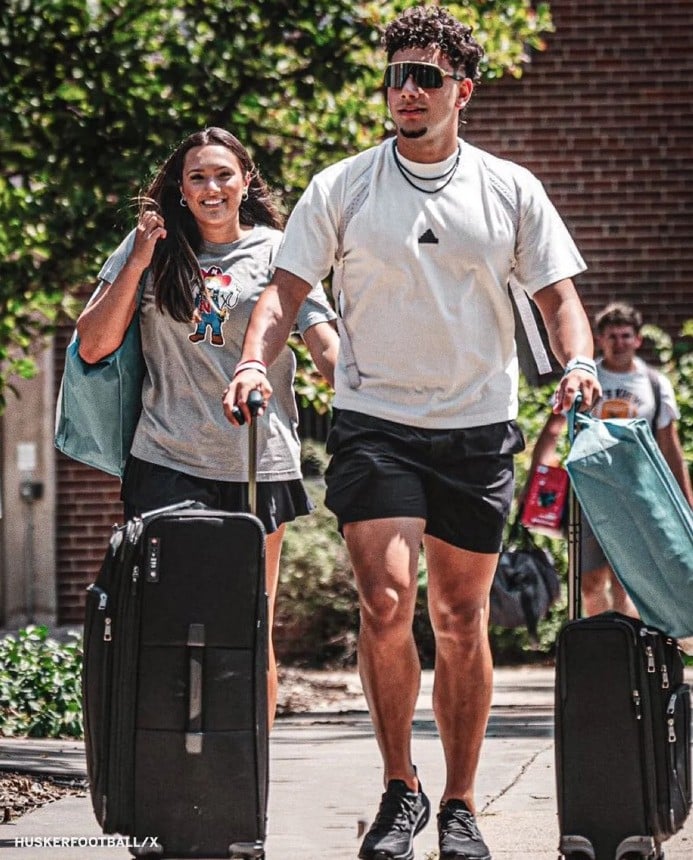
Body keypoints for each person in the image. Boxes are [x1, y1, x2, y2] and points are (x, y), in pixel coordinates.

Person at [224, 6, 601, 859]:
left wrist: (576, 363)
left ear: (461, 90)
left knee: (461, 616)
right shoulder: (343, 185)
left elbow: (557, 299)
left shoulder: (508, 188)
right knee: (387, 600)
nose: (406, 90)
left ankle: (461, 805)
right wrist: (253, 362)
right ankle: (400, 787)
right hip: (375, 421)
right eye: (396, 75)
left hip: (475, 426)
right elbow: (283, 291)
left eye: (425, 77)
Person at [76, 127, 338, 725]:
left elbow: (327, 347)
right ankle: (171, 771)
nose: (212, 187)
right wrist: (141, 258)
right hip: (166, 460)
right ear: (180, 188)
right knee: (167, 622)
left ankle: (248, 781)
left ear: (246, 181)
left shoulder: (280, 250)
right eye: (197, 176)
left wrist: (366, 388)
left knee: (251, 622)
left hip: (257, 463)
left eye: (224, 174)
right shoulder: (148, 248)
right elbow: (93, 345)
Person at [525, 301, 693, 617]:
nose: (619, 343)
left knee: (628, 580)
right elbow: (552, 431)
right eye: (612, 336)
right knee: (590, 581)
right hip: (591, 493)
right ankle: (602, 647)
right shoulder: (585, 380)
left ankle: (628, 654)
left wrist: (686, 501)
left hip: (639, 494)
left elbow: (670, 446)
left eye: (626, 336)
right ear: (601, 340)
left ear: (638, 340)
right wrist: (537, 484)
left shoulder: (654, 385)